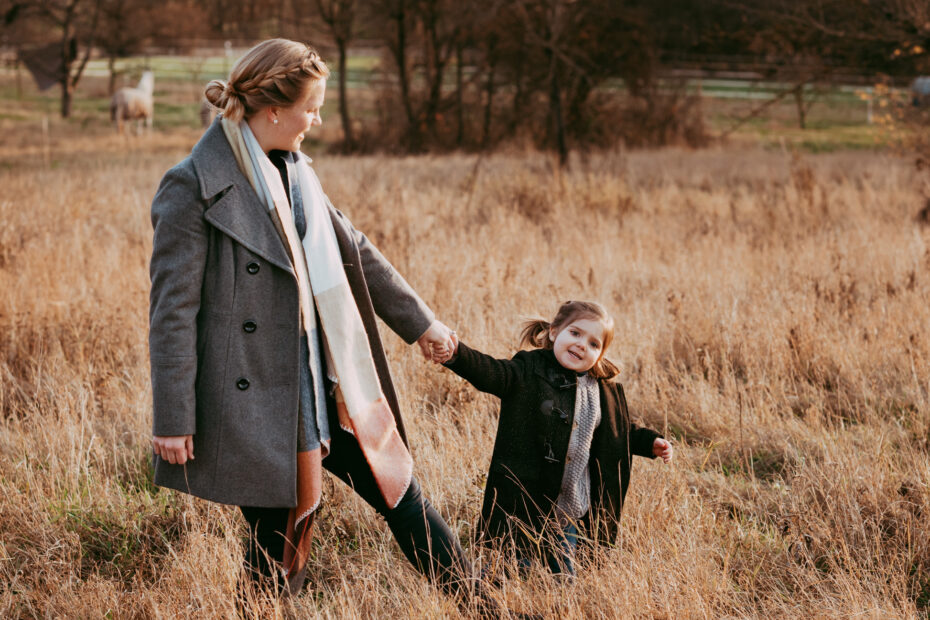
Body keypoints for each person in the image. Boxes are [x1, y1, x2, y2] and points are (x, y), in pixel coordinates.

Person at [148, 39, 471, 600]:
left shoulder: (296, 171)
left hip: (330, 384)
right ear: (273, 109)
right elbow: (172, 309)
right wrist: (173, 416)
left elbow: (356, 252)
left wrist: (424, 324)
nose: (317, 120)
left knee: (402, 491)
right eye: (311, 107)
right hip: (253, 397)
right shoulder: (192, 184)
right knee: (277, 543)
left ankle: (485, 605)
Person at [435, 300, 673, 578]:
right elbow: (492, 373)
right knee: (514, 571)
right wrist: (457, 354)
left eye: (594, 343)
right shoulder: (529, 370)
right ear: (553, 332)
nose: (582, 344)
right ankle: (484, 584)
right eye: (575, 333)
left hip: (571, 508)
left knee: (562, 579)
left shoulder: (602, 391)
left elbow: (619, 431)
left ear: (601, 354)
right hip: (528, 502)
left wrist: (650, 443)